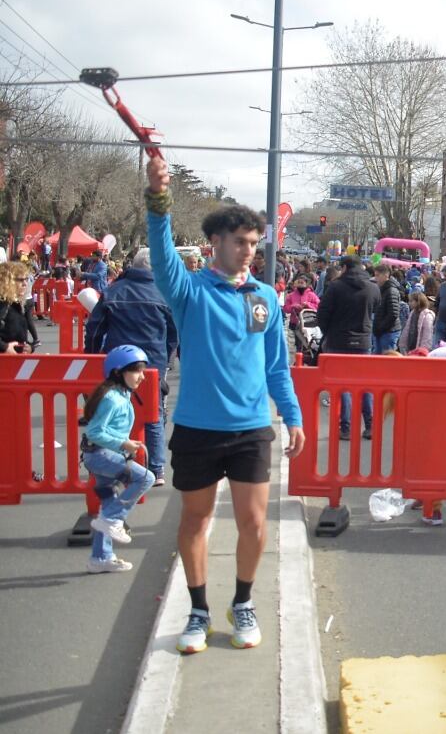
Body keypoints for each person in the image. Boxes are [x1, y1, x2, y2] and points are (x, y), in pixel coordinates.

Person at [144, 154, 304, 655]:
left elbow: (276, 364)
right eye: (240, 243)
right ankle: (197, 610)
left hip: (252, 427)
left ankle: (242, 602)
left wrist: (292, 414)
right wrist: (158, 198)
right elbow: (161, 250)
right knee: (194, 520)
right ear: (216, 243)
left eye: (254, 244)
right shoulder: (189, 290)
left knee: (255, 523)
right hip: (196, 426)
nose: (248, 253)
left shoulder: (265, 297)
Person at [84, 248, 179, 483]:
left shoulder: (114, 290)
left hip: (118, 360)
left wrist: (94, 355)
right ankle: (156, 468)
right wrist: (166, 359)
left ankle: (114, 463)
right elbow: (173, 333)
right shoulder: (164, 293)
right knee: (154, 412)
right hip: (152, 360)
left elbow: (95, 328)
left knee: (113, 410)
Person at [80, 345, 156, 573]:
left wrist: (125, 443)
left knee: (107, 502)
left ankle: (100, 557)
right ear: (117, 372)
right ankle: (113, 519)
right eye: (136, 371)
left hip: (103, 455)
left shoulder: (121, 394)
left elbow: (106, 430)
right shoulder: (113, 399)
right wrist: (123, 444)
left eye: (143, 371)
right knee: (145, 479)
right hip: (100, 456)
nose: (142, 376)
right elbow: (94, 431)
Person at [317, 255, 379, 440]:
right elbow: (375, 309)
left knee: (343, 386)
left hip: (338, 341)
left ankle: (346, 427)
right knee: (364, 384)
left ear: (344, 267)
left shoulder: (335, 287)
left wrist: (328, 332)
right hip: (363, 342)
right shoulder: (373, 287)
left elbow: (323, 314)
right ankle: (370, 425)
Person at [0, 261, 35, 354]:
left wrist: (29, 347)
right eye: (20, 280)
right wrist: (5, 347)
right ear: (7, 282)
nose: (25, 284)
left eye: (26, 279)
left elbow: (17, 334)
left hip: (15, 362)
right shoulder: (3, 304)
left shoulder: (15, 304)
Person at [282, 274, 320, 356]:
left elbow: (318, 306)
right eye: (298, 282)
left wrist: (308, 305)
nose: (300, 284)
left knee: (307, 345)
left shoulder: (311, 295)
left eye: (302, 283)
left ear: (306, 284)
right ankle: (296, 359)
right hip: (294, 323)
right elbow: (286, 309)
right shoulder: (291, 295)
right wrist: (293, 306)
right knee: (295, 344)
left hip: (308, 324)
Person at [371, 264, 403, 354]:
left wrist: (380, 327)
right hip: (382, 331)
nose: (375, 278)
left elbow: (393, 313)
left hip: (389, 332)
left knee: (387, 360)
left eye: (378, 275)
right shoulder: (382, 289)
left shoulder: (391, 290)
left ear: (386, 275)